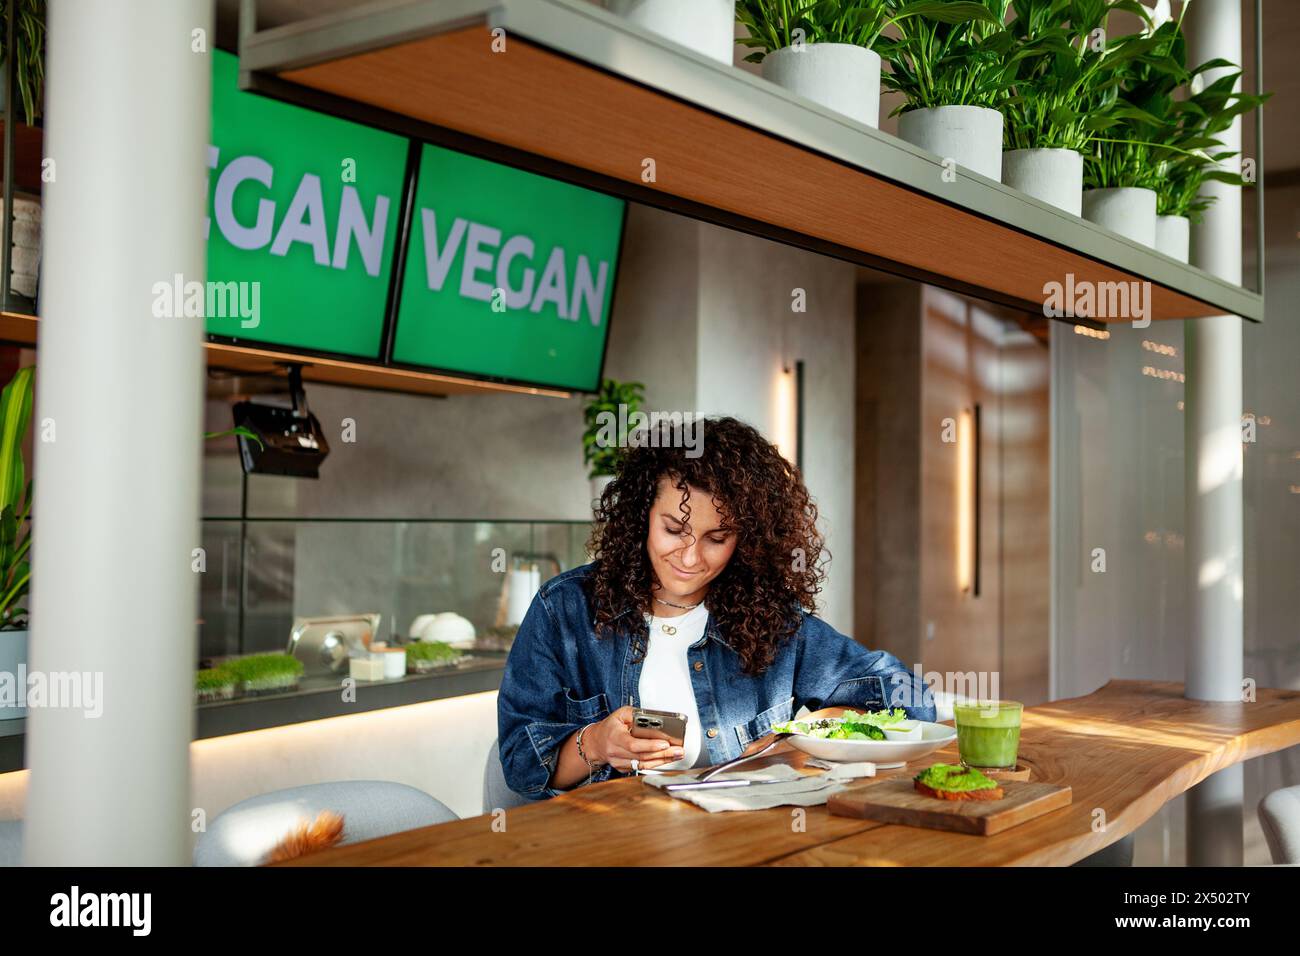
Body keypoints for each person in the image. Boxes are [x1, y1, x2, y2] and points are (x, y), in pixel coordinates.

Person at [497, 415, 934, 798]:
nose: (690, 558)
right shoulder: (565, 609)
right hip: (604, 843)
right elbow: (520, 762)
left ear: (745, 540)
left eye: (717, 539)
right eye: (674, 530)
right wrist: (594, 745)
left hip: (735, 838)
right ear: (641, 516)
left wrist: (809, 730)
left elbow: (911, 698)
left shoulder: (770, 621)